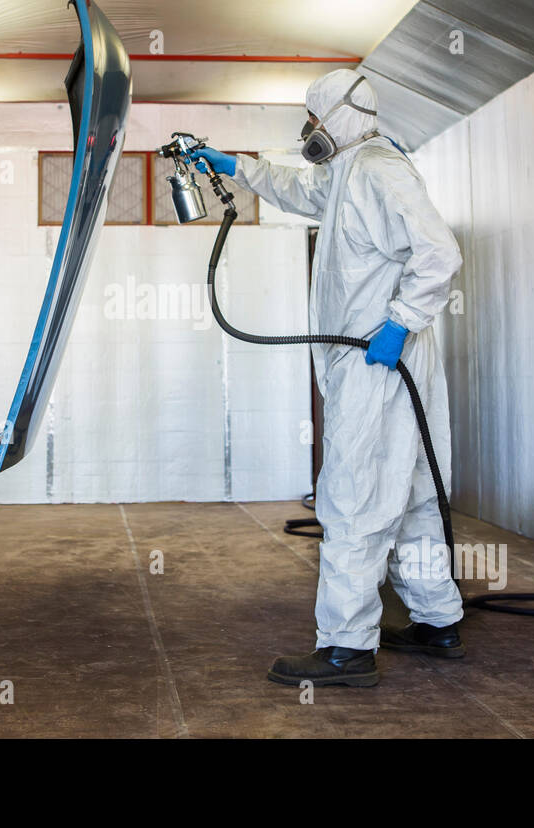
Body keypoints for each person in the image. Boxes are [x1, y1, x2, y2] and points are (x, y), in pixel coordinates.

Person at [192, 69, 465, 687]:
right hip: (381, 358)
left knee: (352, 497)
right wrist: (233, 165)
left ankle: (346, 647)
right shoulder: (347, 172)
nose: (309, 130)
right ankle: (437, 620)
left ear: (339, 116)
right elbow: (296, 188)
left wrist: (401, 320)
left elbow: (440, 251)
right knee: (415, 492)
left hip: (378, 358)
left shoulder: (376, 168)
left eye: (314, 118)